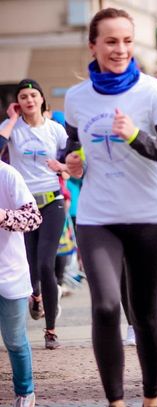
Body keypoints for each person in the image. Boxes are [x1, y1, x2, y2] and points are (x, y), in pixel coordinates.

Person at [62, 8, 157, 407]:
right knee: (104, 306)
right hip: (97, 217)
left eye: (127, 41)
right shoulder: (77, 97)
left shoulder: (152, 92)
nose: (120, 49)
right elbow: (72, 148)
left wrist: (136, 136)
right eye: (111, 41)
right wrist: (73, 162)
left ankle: (151, 398)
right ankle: (115, 402)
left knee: (144, 313)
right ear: (93, 46)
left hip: (149, 217)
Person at [0, 79, 68, 350]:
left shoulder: (55, 129)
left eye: (33, 95)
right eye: (23, 97)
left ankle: (50, 331)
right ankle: (36, 295)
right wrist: (11, 120)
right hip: (24, 207)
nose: (29, 100)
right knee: (30, 267)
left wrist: (63, 166)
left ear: (41, 99)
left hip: (52, 202)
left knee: (45, 264)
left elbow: (75, 158)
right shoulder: (13, 129)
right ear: (17, 103)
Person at [0, 160, 43, 407]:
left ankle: (25, 392)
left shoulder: (7, 175)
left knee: (15, 340)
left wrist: (4, 216)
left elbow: (33, 217)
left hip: (9, 274)